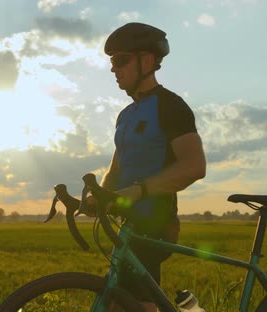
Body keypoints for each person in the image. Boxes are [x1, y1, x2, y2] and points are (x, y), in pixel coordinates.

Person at [91, 22, 207, 311]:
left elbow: (194, 166)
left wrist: (140, 191)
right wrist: (99, 196)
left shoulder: (171, 106)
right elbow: (116, 169)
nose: (113, 69)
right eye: (111, 62)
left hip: (156, 222)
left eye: (121, 60)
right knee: (121, 303)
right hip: (130, 225)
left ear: (147, 60)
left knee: (125, 306)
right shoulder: (125, 115)